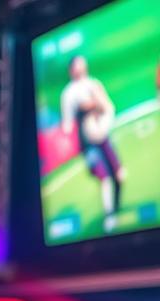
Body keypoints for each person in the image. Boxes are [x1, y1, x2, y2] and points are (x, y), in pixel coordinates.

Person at [61, 54, 124, 224]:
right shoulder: (69, 93)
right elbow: (67, 124)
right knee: (105, 178)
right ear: (72, 70)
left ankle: (116, 208)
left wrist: (103, 120)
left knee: (120, 175)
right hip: (88, 143)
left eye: (83, 64)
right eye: (78, 65)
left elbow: (109, 108)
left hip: (103, 137)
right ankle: (109, 217)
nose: (81, 68)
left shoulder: (94, 84)